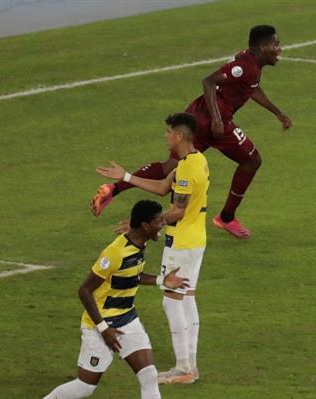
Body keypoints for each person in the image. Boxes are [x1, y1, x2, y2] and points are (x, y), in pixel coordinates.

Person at [91, 24, 292, 239]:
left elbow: (250, 87)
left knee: (170, 168)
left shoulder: (250, 65)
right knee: (252, 161)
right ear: (262, 47)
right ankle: (226, 218)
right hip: (215, 123)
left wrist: (277, 112)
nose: (279, 48)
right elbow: (209, 81)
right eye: (275, 44)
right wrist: (216, 119)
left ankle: (114, 189)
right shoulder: (245, 66)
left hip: (199, 116)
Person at [96, 112, 209, 384]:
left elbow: (178, 211)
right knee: (187, 299)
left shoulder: (186, 168)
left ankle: (184, 368)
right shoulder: (196, 160)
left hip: (181, 242)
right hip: (196, 239)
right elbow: (161, 187)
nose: (166, 136)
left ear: (179, 136)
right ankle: (190, 367)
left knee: (171, 302)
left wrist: (144, 226)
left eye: (169, 132)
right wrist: (125, 176)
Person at [42, 200, 188, 399]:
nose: (163, 223)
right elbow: (84, 291)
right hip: (101, 324)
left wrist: (163, 280)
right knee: (85, 387)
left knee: (149, 376)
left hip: (127, 319)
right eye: (158, 220)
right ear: (145, 225)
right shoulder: (115, 253)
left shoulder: (139, 244)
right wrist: (103, 329)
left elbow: (132, 275)